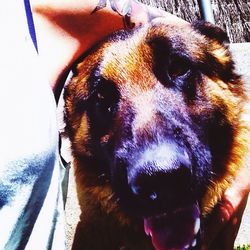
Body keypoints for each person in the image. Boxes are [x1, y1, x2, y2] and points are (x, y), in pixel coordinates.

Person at [0, 0, 249, 249]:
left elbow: (199, 43)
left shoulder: (25, 13)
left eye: (178, 69)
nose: (159, 165)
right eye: (104, 101)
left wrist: (240, 169)